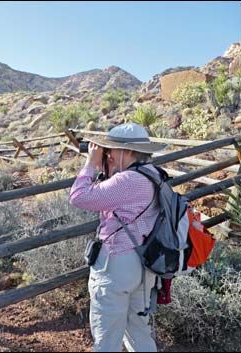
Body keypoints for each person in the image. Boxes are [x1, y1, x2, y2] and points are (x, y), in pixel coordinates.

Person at [69, 122, 168, 352]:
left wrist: (91, 164)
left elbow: (79, 197)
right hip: (144, 266)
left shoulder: (127, 181)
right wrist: (109, 166)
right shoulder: (154, 174)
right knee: (139, 333)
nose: (109, 155)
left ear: (127, 151)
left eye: (112, 150)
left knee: (107, 338)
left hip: (116, 266)